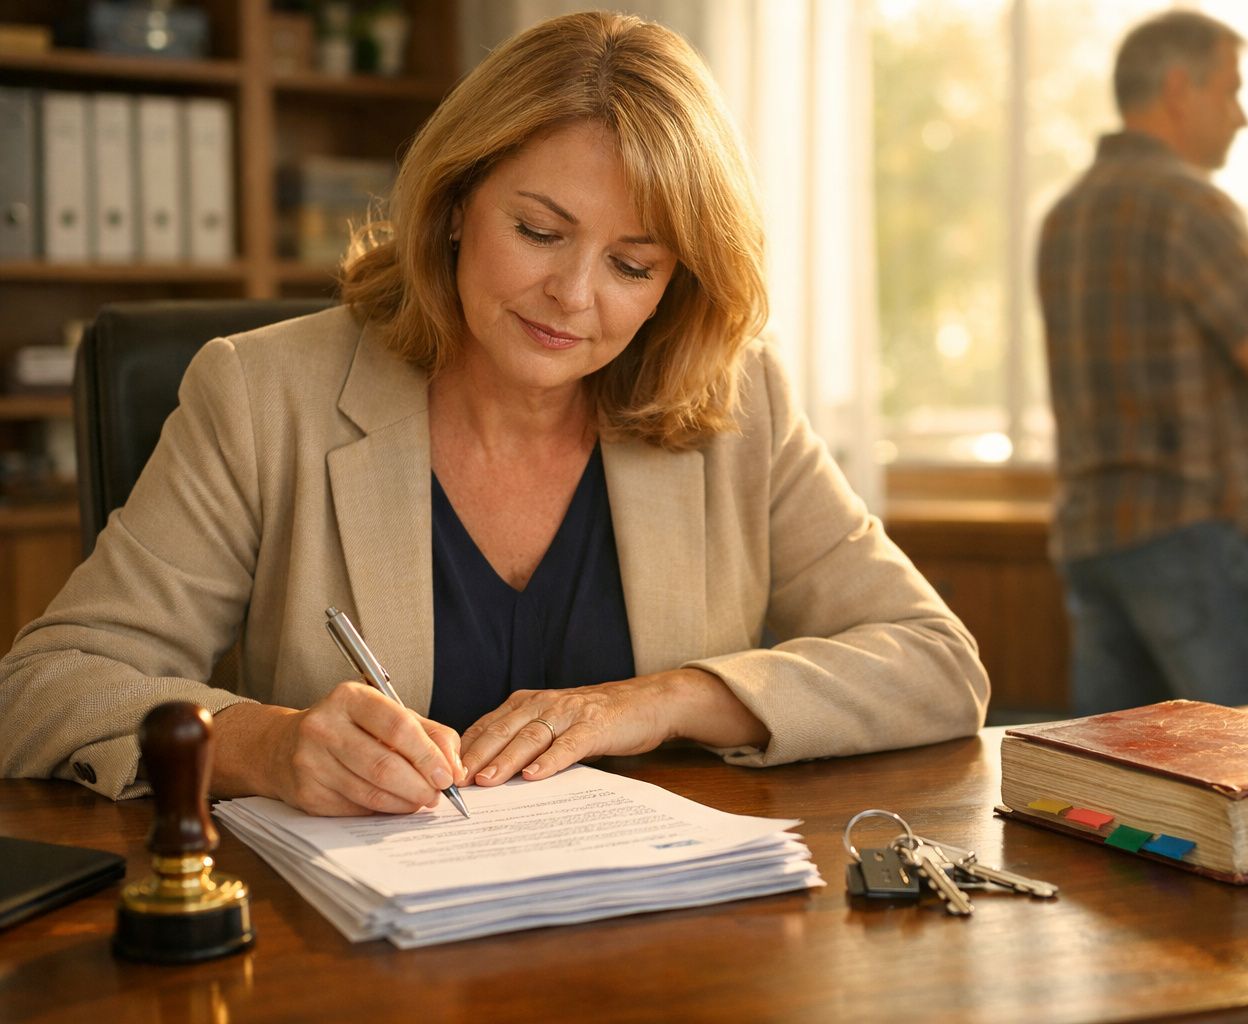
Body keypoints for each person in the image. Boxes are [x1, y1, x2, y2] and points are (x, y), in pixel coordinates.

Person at [0, 11, 987, 815]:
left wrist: (666, 701)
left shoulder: (737, 402)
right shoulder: (263, 397)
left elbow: (938, 667)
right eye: (540, 231)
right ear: (458, 198)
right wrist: (266, 743)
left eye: (632, 264)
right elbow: (43, 687)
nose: (575, 294)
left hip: (667, 949)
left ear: (675, 283)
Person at [1036, 10, 1248, 716]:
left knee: (1121, 793)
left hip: (1094, 540)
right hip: (1190, 536)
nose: (1243, 117)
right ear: (1178, 88)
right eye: (1229, 92)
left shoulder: (1065, 214)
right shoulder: (1185, 204)